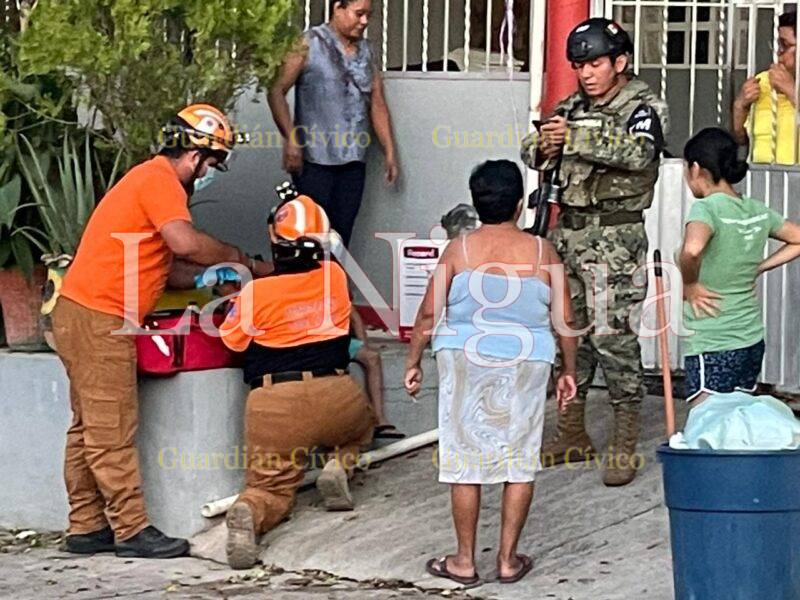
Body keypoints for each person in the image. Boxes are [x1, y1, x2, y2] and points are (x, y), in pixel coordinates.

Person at [52, 104, 269, 558]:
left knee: (88, 427)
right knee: (111, 428)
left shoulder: (148, 182)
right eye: (213, 164)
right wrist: (239, 258)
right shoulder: (160, 180)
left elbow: (166, 268)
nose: (209, 173)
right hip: (102, 317)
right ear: (195, 156)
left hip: (82, 312)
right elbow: (185, 243)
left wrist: (210, 278)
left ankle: (87, 525)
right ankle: (131, 530)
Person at [404, 160, 577, 586]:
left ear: (477, 204)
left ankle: (464, 561)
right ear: (520, 205)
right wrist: (568, 371)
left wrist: (412, 362)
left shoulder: (458, 250)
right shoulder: (543, 253)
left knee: (465, 458)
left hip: (464, 357)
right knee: (518, 460)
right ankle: (507, 560)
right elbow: (565, 321)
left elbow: (429, 313)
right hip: (527, 361)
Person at [520, 18, 670, 486]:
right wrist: (541, 144)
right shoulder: (572, 106)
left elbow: (640, 154)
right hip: (571, 234)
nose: (586, 73)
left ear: (620, 62)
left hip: (616, 240)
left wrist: (575, 137)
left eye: (595, 63)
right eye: (579, 64)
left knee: (613, 336)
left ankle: (624, 439)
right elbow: (533, 147)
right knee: (570, 333)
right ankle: (571, 432)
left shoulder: (643, 105)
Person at [220, 195, 375, 570]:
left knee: (269, 486)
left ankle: (250, 511)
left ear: (276, 243)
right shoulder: (334, 278)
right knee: (360, 430)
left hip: (275, 404)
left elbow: (232, 341)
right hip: (337, 394)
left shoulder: (256, 293)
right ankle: (339, 465)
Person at [679, 128, 800, 406]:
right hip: (750, 340)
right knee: (735, 418)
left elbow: (692, 250)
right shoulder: (756, 209)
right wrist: (761, 266)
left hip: (712, 341)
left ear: (696, 169)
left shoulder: (706, 209)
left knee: (707, 424)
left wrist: (690, 284)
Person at [268, 0, 399, 248]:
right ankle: (310, 285)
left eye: (368, 16)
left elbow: (377, 102)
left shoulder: (367, 51)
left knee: (340, 237)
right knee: (309, 235)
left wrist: (389, 150)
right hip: (315, 161)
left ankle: (334, 285)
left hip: (353, 160)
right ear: (338, 8)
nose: (364, 22)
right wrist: (291, 139)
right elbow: (276, 91)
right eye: (358, 14)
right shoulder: (308, 43)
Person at [732, 10, 798, 165]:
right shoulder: (762, 81)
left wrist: (791, 90)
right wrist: (740, 106)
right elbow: (741, 139)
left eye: (785, 45)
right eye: (776, 45)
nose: (778, 52)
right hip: (760, 176)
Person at [349, 307, 404, 440]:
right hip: (312, 344)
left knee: (372, 357)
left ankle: (379, 418)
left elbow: (354, 316)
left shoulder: (334, 290)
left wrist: (363, 345)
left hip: (338, 342)